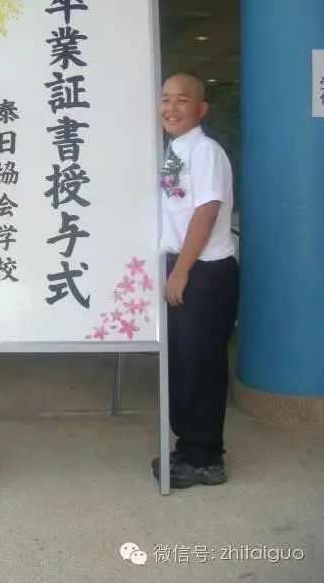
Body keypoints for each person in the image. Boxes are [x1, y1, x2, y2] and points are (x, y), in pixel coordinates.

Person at [153, 73, 239, 489]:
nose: (171, 108)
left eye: (182, 100)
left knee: (203, 365)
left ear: (201, 109)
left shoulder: (206, 152)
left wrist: (182, 270)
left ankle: (206, 459)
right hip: (185, 265)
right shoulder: (175, 150)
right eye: (165, 99)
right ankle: (190, 448)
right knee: (186, 363)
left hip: (205, 271)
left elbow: (206, 213)